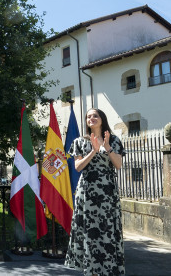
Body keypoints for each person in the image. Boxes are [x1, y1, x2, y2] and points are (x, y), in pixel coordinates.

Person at [64, 108, 126, 275]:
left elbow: (118, 165)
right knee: (89, 229)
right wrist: (93, 151)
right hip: (87, 191)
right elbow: (77, 167)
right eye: (88, 116)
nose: (91, 118)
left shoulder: (113, 140)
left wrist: (107, 147)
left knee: (107, 228)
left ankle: (107, 268)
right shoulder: (79, 141)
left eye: (95, 116)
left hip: (107, 192)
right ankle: (90, 269)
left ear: (102, 119)